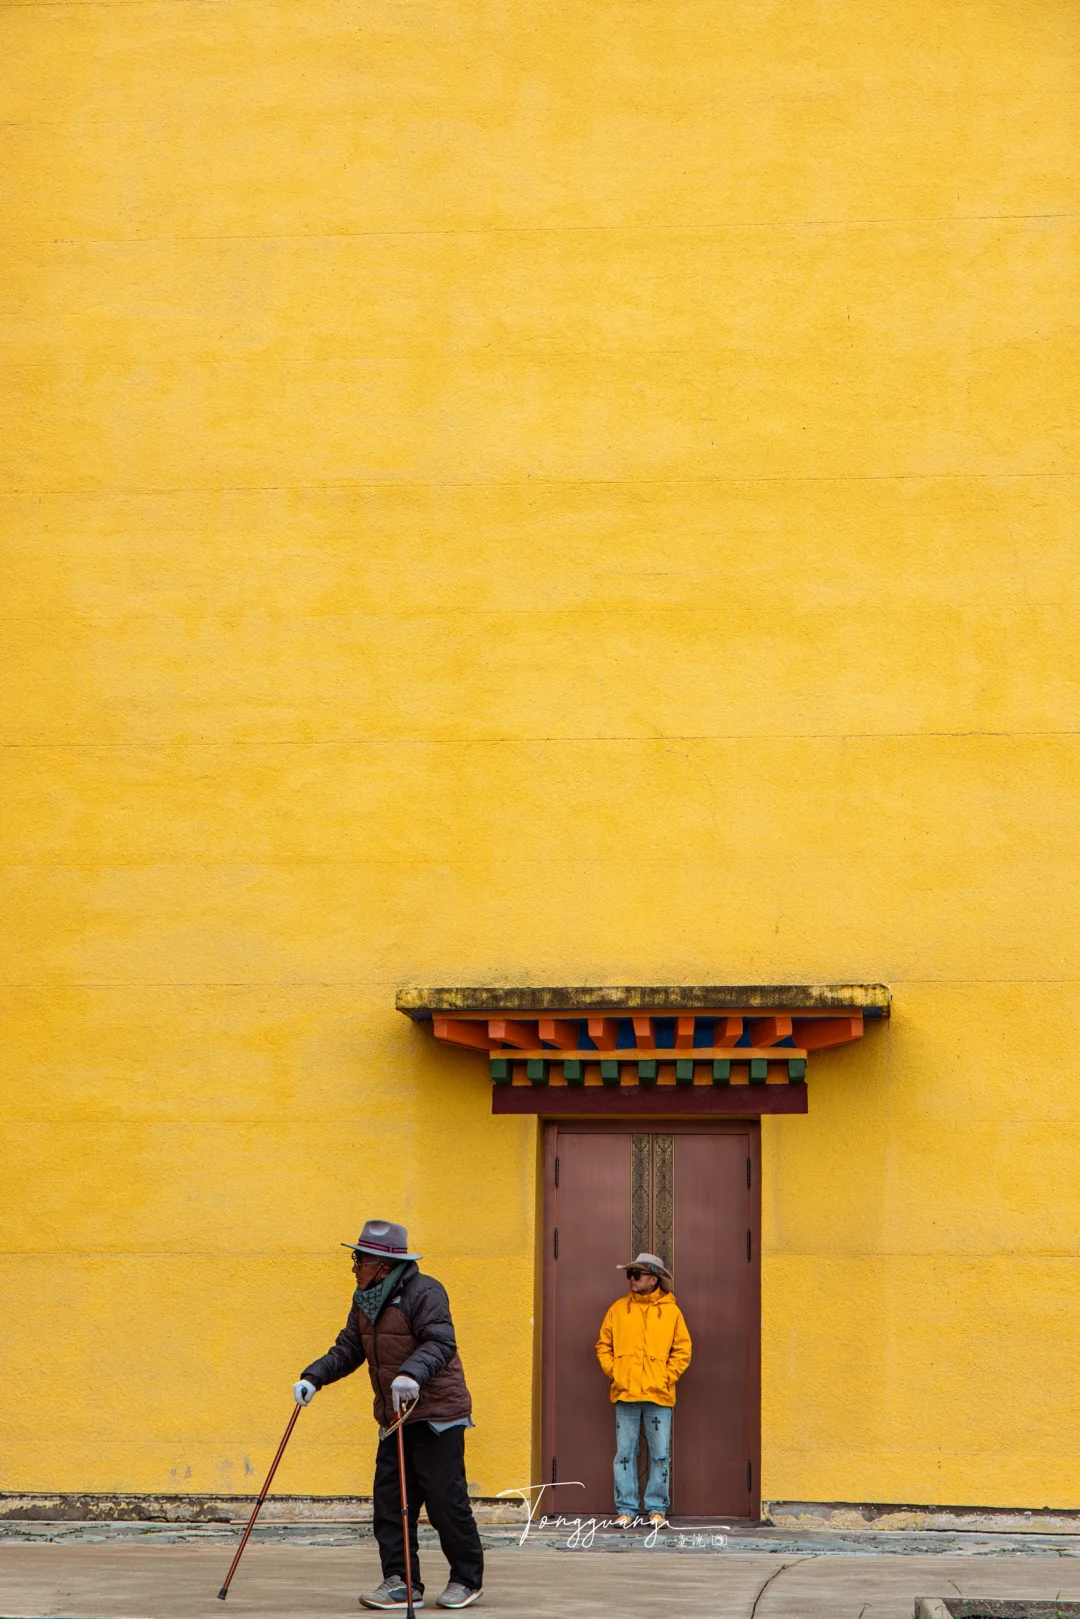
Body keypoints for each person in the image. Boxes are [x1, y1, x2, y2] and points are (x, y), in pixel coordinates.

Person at [293, 1220, 484, 1611]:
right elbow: (349, 1348)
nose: (353, 1266)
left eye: (359, 1259)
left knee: (445, 1503)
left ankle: (466, 1580)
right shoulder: (365, 1298)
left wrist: (411, 1373)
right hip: (395, 1417)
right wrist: (314, 1377)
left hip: (436, 1414)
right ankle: (401, 1582)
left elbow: (441, 1342)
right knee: (390, 1503)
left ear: (384, 1264)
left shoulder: (425, 1291)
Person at [595, 1251, 692, 1528]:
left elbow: (683, 1350)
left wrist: (666, 1377)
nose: (631, 1279)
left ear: (653, 1279)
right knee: (624, 1455)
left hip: (658, 1396)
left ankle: (656, 1509)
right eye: (630, 1274)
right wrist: (615, 1372)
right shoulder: (617, 1310)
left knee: (660, 1456)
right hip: (625, 1393)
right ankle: (626, 1509)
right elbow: (603, 1345)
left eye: (636, 1274)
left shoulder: (671, 1313)